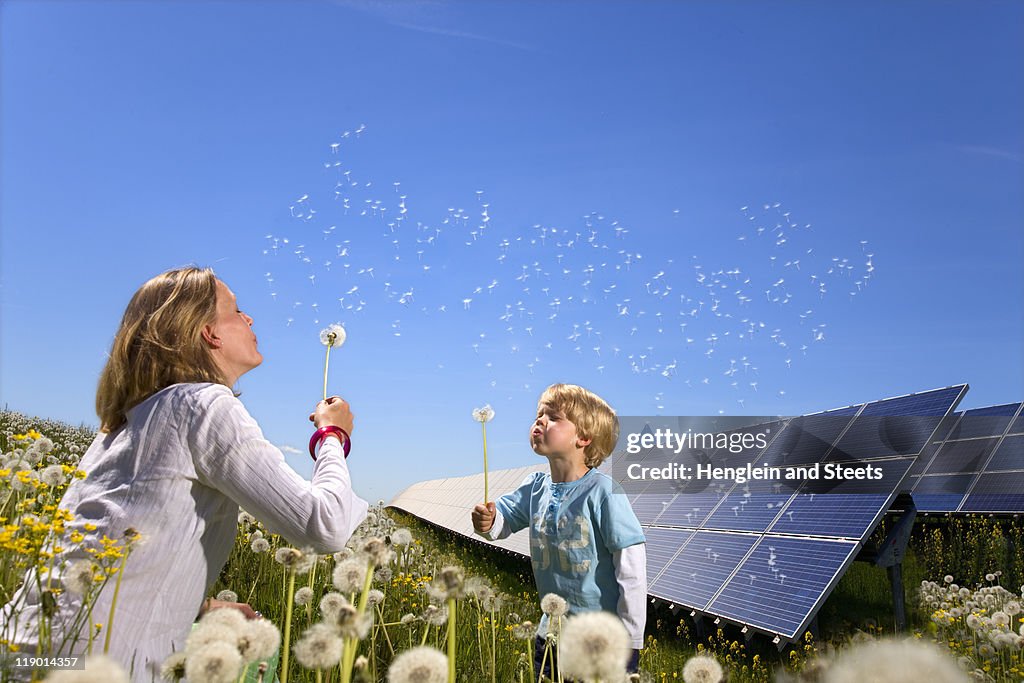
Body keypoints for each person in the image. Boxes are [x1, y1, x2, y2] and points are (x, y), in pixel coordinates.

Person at [0, 266, 368, 681]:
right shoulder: (204, 405)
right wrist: (332, 434)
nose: (249, 319)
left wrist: (201, 608)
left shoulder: (125, 423)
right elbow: (324, 525)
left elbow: (115, 550)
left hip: (30, 649)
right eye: (236, 311)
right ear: (208, 333)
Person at [471, 383, 647, 677]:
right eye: (539, 415)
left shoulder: (603, 492)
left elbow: (631, 568)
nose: (539, 421)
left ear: (584, 438)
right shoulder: (535, 487)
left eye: (553, 417)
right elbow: (503, 520)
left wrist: (630, 638)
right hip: (549, 636)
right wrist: (488, 522)